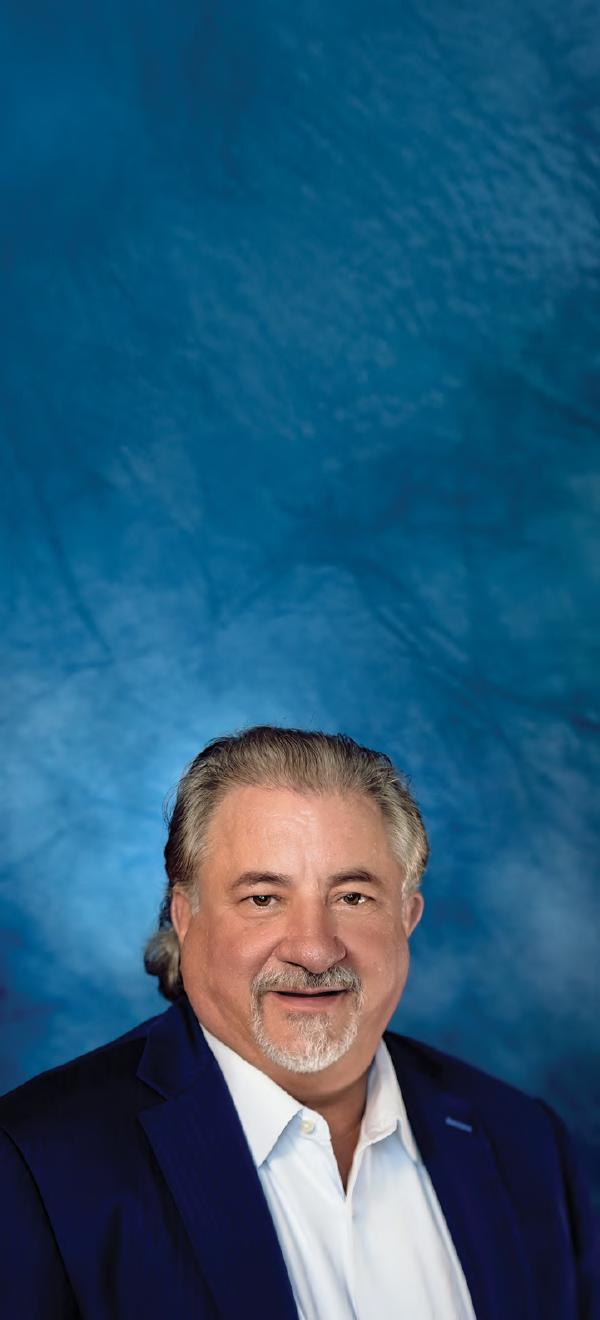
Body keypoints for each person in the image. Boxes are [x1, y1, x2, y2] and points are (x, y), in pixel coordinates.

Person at [0, 727, 598, 1319]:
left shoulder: (525, 1141)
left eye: (353, 897)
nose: (314, 950)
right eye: (263, 898)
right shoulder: (37, 1163)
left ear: (407, 917)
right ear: (185, 917)